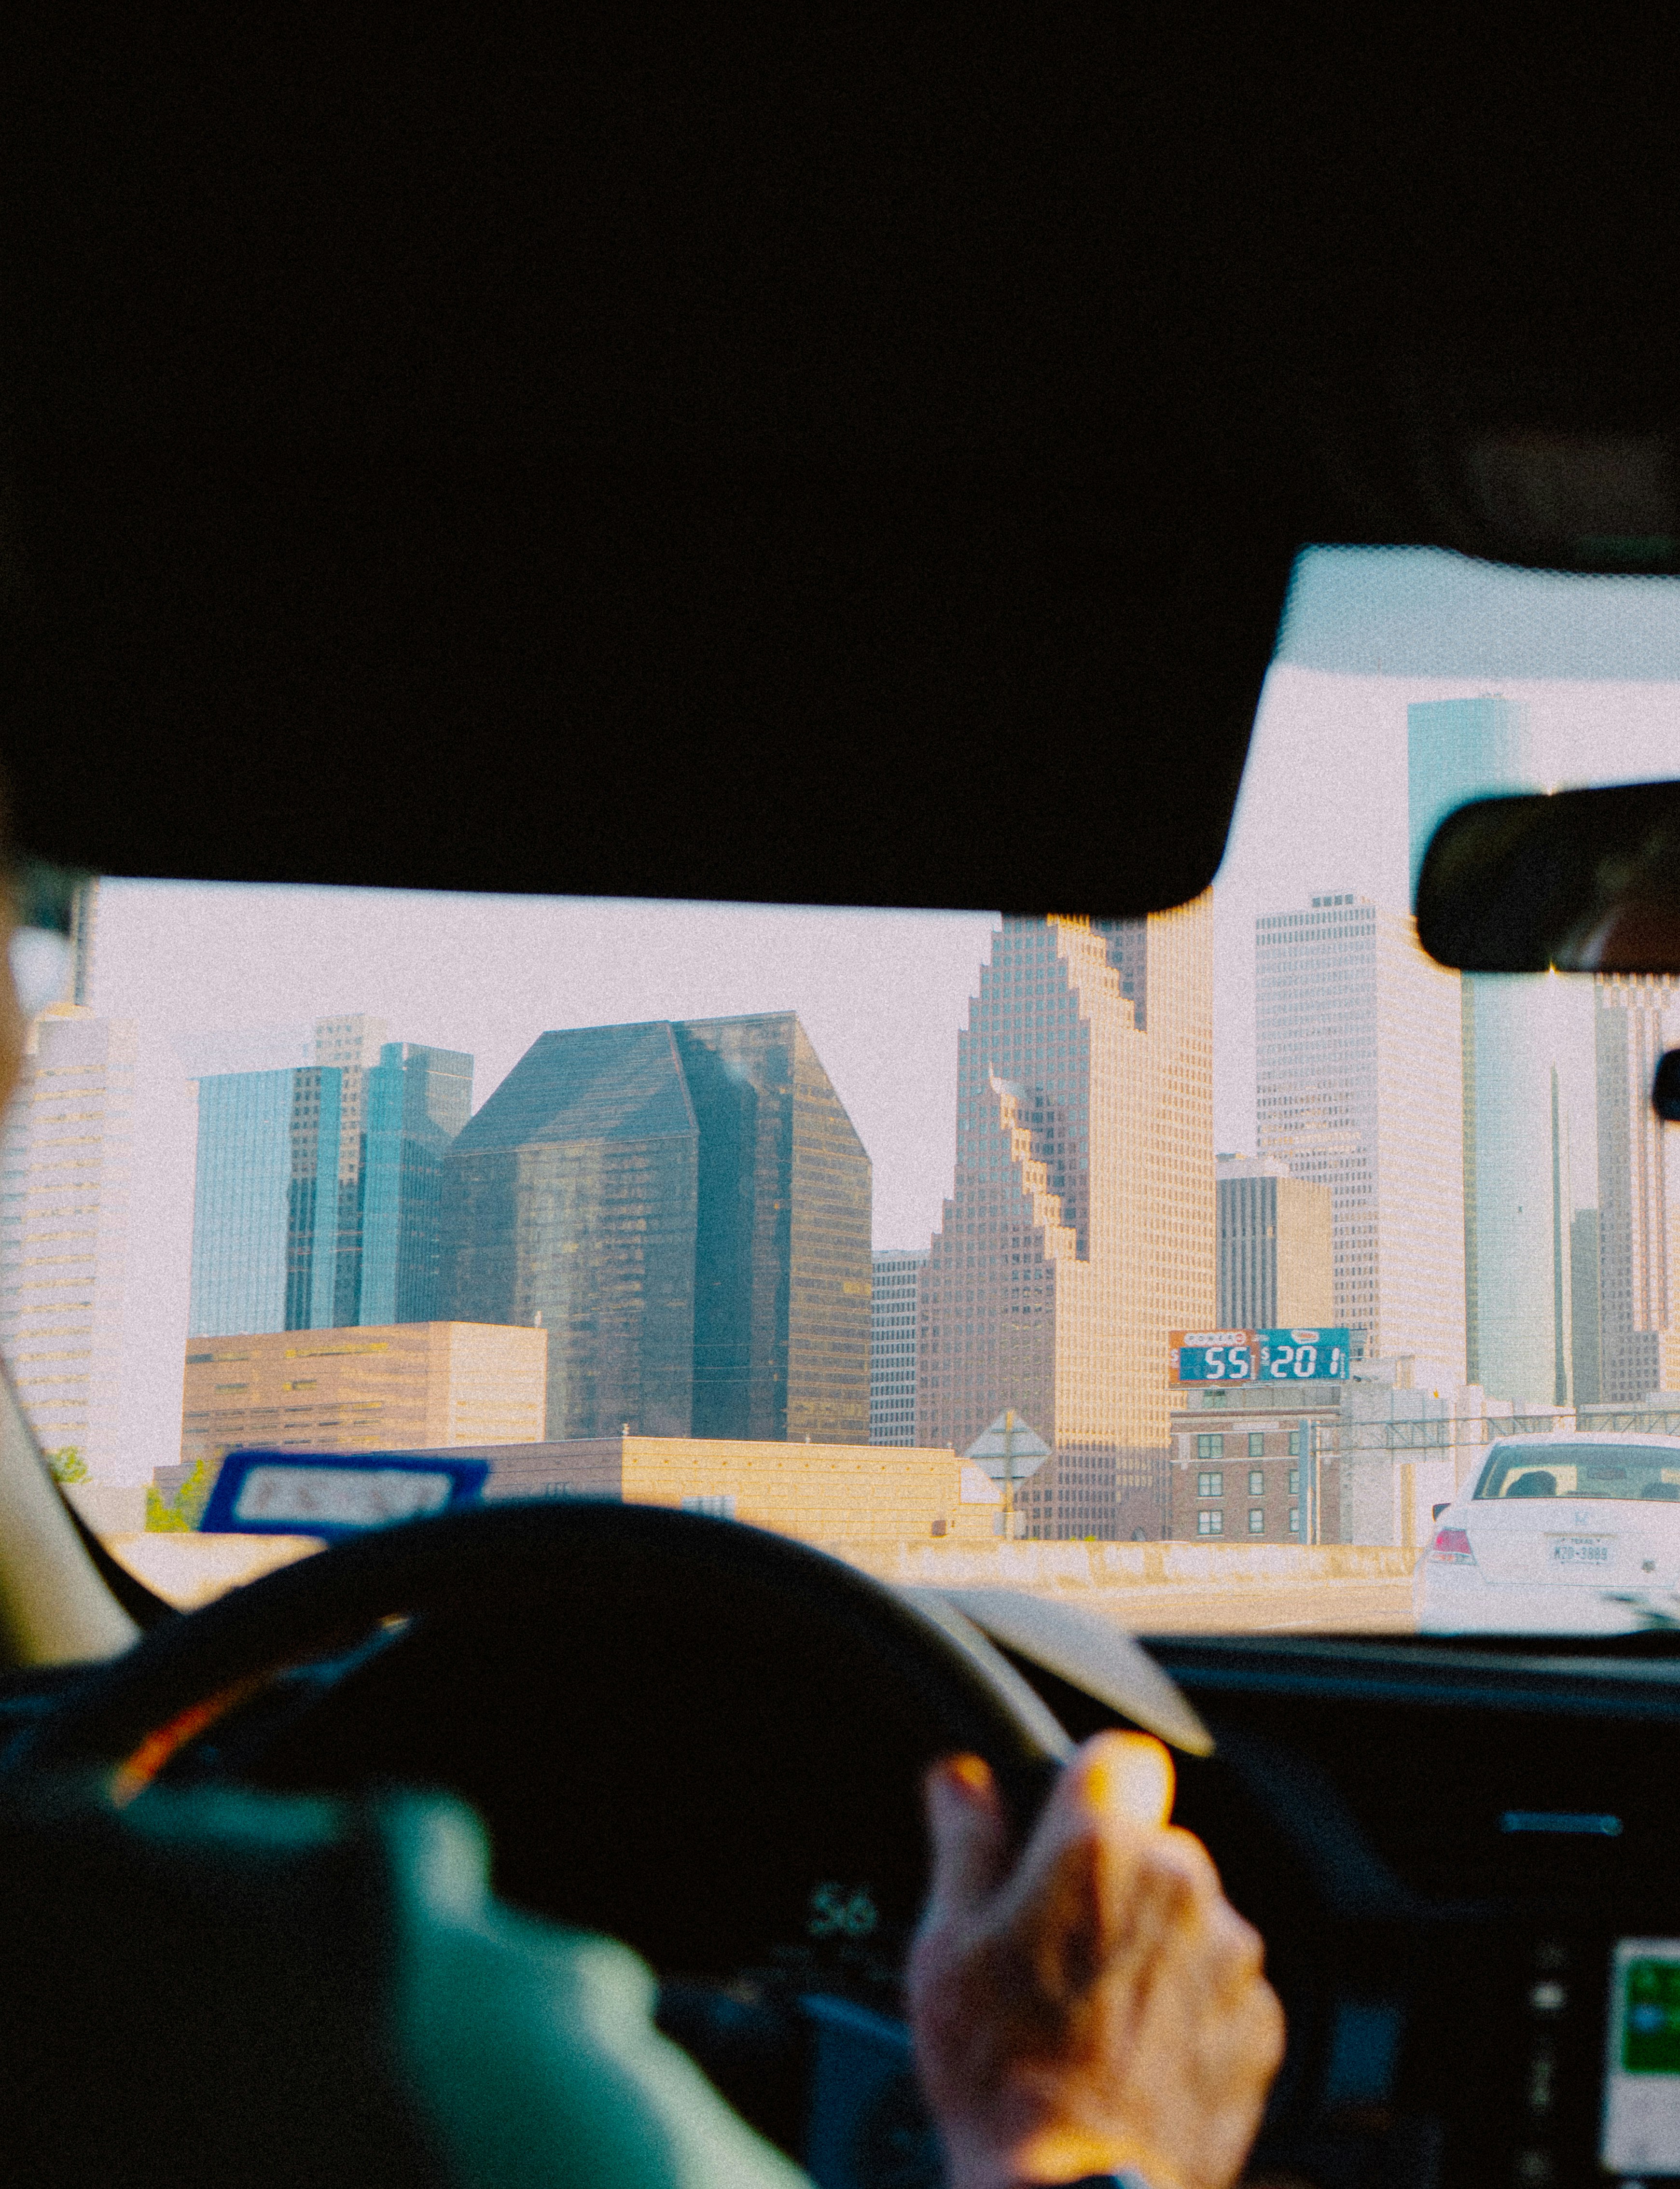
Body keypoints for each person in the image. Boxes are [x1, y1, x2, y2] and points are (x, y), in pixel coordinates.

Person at [0, 796, 1288, 2188]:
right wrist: (1076, 2129)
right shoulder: (357, 1982)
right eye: (19, 942)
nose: (26, 1034)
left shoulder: (145, 1951)